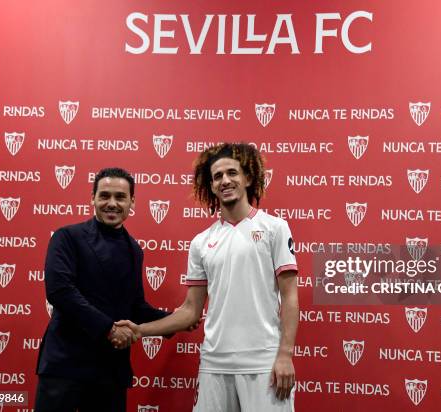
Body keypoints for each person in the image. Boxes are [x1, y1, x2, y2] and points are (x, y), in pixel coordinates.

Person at [117, 143, 299, 411]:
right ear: (211, 186)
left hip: (263, 362)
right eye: (217, 176)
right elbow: (191, 311)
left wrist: (285, 355)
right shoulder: (202, 242)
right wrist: (140, 330)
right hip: (215, 363)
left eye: (232, 173)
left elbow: (290, 296)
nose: (225, 181)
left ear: (248, 178)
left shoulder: (275, 228)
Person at [35, 167, 170, 412]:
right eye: (104, 196)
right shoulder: (67, 237)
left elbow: (135, 306)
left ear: (132, 202)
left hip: (110, 371)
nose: (112, 203)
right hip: (65, 366)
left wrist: (176, 320)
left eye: (120, 197)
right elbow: (60, 291)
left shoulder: (134, 250)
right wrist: (109, 329)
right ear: (93, 198)